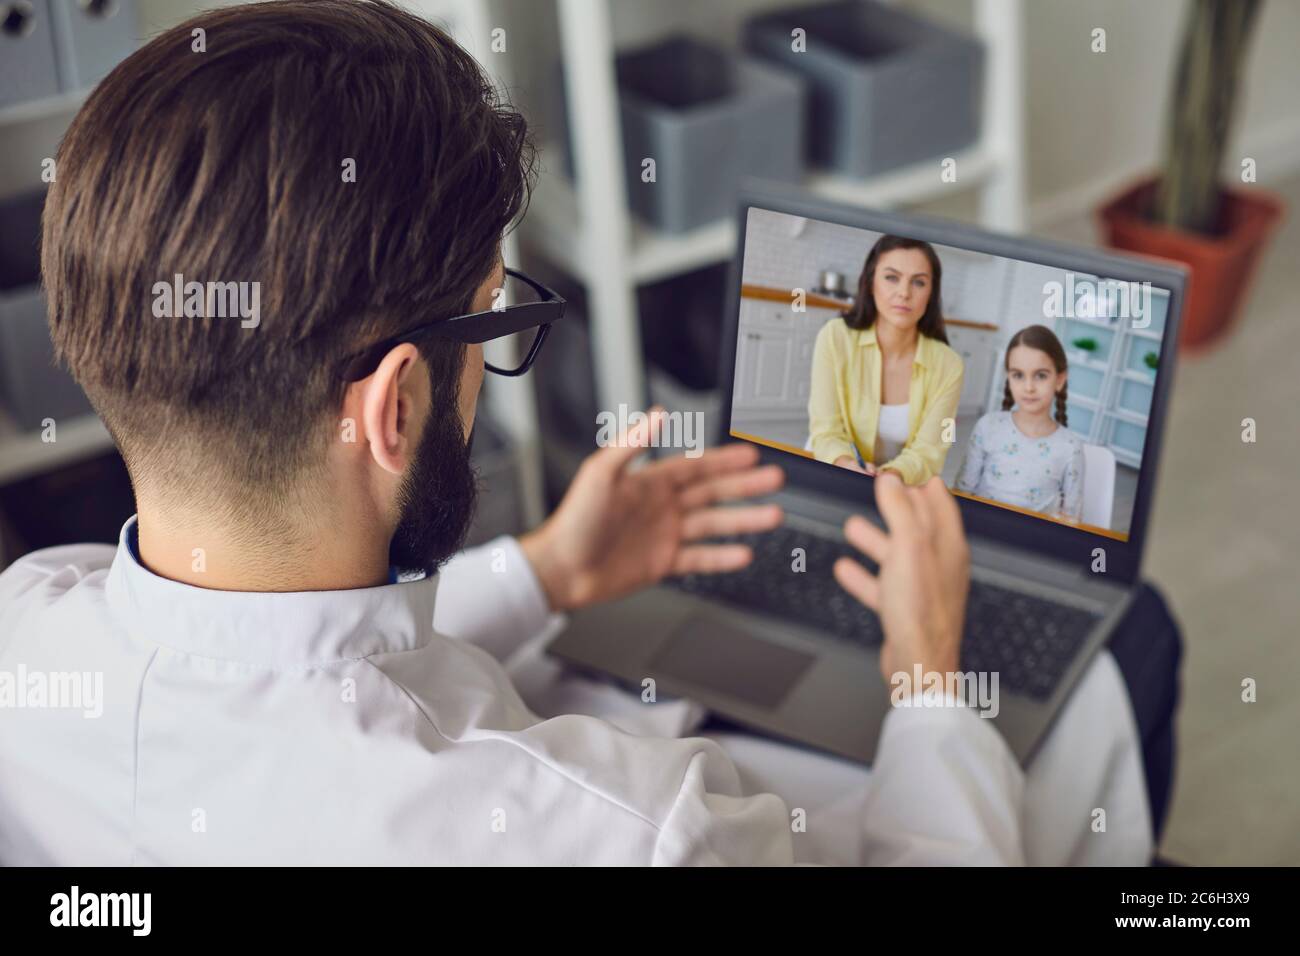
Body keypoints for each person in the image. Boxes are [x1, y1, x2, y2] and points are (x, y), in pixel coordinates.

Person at [0, 0, 1155, 866]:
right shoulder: (633, 833)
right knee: (1132, 641)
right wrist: (928, 681)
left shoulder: (25, 637)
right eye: (495, 318)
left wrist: (550, 569)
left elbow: (280, 676)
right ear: (394, 404)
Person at [807, 235, 965, 484]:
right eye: (891, 277)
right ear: (870, 283)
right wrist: (847, 465)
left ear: (931, 293)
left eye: (919, 282)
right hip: (835, 464)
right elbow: (825, 429)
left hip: (901, 481)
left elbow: (932, 451)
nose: (904, 293)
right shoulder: (834, 337)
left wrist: (890, 476)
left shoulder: (950, 365)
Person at [956, 325, 1086, 522]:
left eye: (1041, 375)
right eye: (1018, 375)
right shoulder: (987, 427)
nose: (1029, 387)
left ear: (1059, 380)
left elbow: (1071, 517)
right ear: (1008, 378)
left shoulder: (1070, 447)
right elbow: (962, 493)